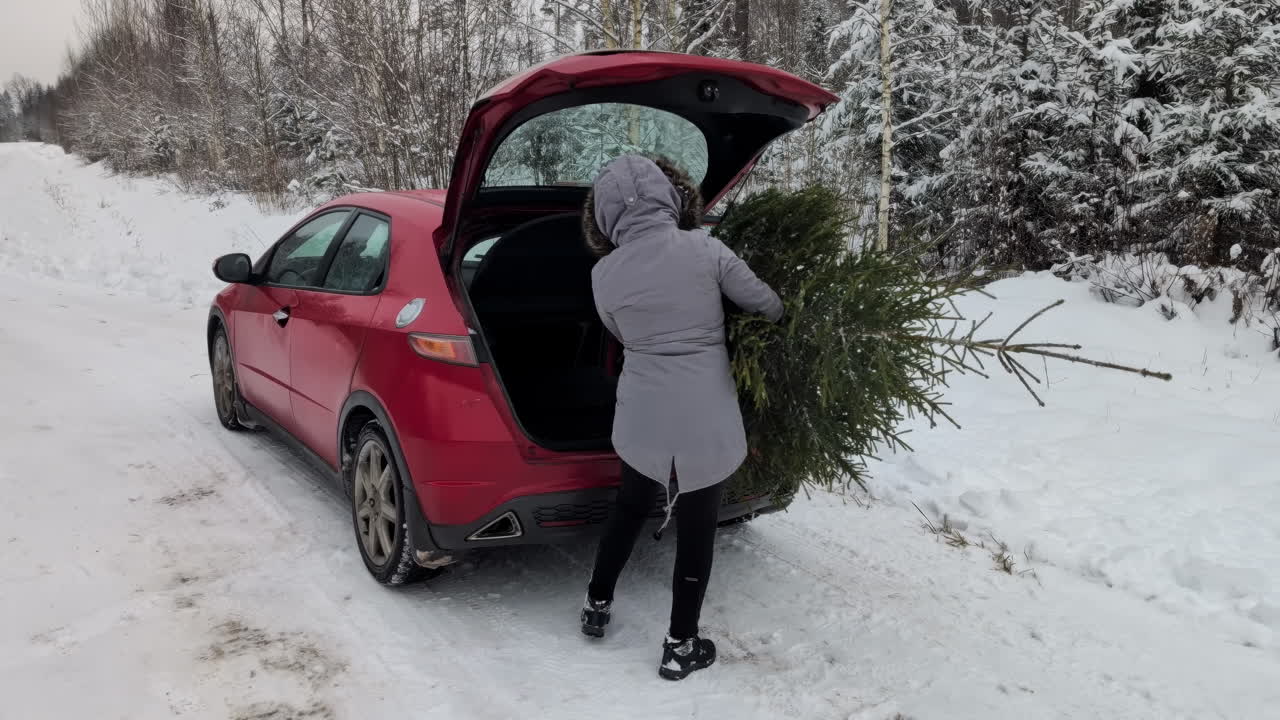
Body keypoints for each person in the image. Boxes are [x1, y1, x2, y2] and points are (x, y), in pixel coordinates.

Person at [578, 154, 784, 681]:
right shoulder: (706, 249)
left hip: (643, 411)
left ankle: (596, 605)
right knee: (697, 526)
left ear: (603, 217)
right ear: (671, 196)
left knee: (629, 506)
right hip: (703, 413)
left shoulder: (603, 274)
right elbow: (763, 302)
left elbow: (620, 332)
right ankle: (680, 644)